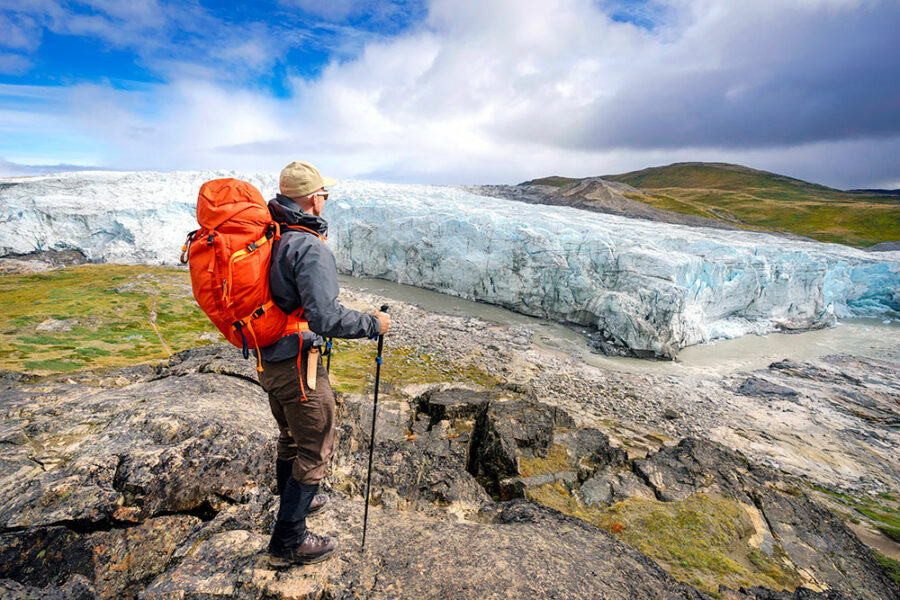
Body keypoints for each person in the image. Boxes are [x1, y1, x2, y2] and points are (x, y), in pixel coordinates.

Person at [257, 160, 391, 566]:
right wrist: (374, 323)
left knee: (291, 439)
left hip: (269, 358)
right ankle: (288, 542)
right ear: (314, 198)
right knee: (315, 448)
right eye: (324, 194)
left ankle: (291, 507)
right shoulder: (308, 246)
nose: (325, 200)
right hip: (298, 363)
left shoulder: (270, 234)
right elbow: (326, 318)